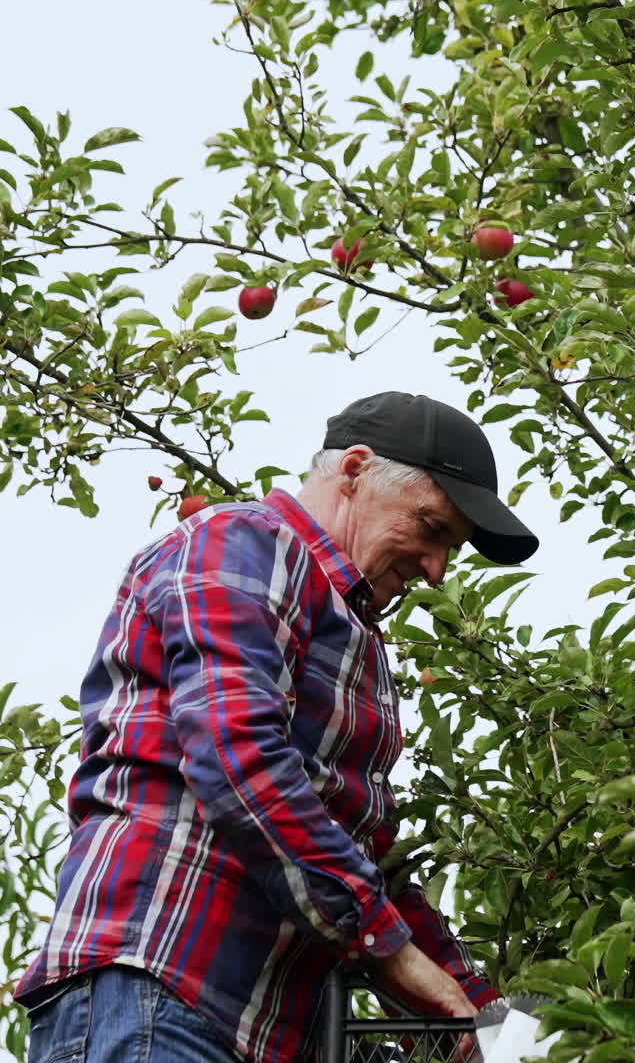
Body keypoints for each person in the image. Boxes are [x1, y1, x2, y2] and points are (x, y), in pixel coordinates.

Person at [16, 391, 539, 1063]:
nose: (436, 569)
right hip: (162, 989)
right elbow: (239, 760)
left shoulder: (346, 624)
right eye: (432, 528)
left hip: (253, 1029)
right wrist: (394, 956)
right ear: (354, 470)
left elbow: (360, 859)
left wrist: (476, 1017)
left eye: (451, 550)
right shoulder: (248, 543)